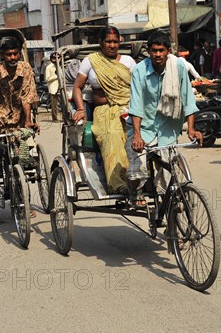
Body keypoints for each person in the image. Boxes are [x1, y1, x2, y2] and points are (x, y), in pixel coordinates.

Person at [126, 31, 203, 206]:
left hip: (168, 128)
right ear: (149, 51)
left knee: (170, 173)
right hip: (143, 128)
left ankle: (166, 204)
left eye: (161, 50)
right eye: (154, 51)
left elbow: (188, 100)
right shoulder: (139, 70)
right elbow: (136, 105)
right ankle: (134, 191)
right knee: (138, 168)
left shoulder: (179, 67)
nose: (158, 54)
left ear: (168, 51)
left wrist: (191, 129)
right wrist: (137, 136)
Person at [71, 26, 136, 194]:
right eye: (108, 41)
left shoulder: (129, 62)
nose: (112, 45)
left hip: (129, 109)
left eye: (115, 41)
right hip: (104, 111)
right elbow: (77, 87)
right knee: (112, 135)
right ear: (101, 43)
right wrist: (80, 109)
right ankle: (118, 183)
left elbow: (139, 88)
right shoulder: (91, 61)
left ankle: (139, 179)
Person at [0, 36, 38, 186]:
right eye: (9, 54)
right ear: (3, 55)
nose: (13, 57)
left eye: (15, 53)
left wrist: (29, 121)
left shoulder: (26, 68)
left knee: (25, 144)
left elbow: (28, 96)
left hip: (19, 117)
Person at [45, 52, 60, 122]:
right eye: (54, 58)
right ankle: (55, 118)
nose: (55, 59)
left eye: (57, 58)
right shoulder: (49, 67)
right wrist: (56, 76)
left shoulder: (59, 66)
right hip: (53, 88)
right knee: (54, 105)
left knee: (62, 104)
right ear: (51, 59)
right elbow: (47, 79)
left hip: (60, 87)